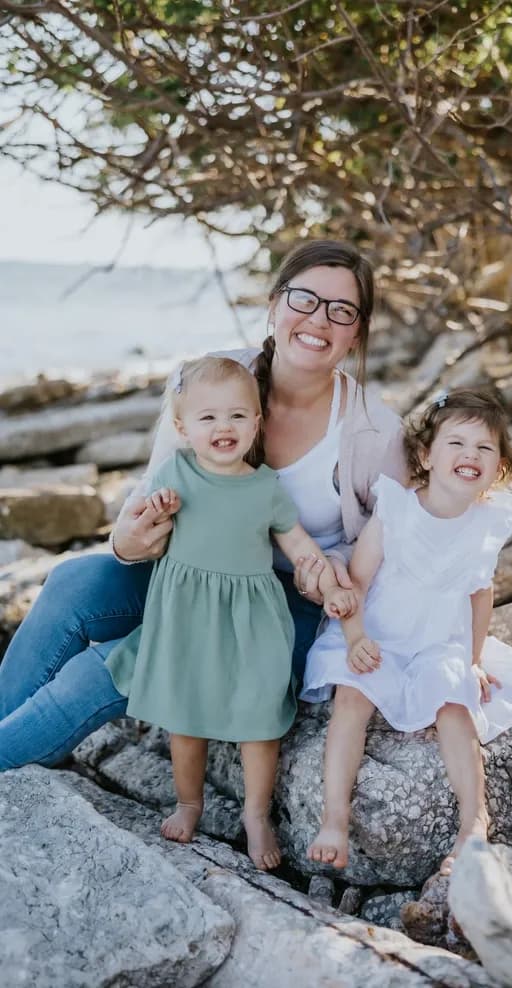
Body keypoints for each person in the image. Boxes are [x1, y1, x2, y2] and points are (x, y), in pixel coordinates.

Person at [0, 240, 407, 865]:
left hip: (281, 607)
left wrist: (336, 590)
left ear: (358, 333)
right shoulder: (210, 379)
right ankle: (14, 732)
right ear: (274, 306)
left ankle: (15, 750)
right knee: (74, 583)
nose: (319, 319)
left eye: (342, 310)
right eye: (305, 298)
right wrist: (127, 541)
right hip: (188, 575)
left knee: (107, 667)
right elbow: (149, 496)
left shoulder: (375, 430)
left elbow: (390, 546)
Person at [105, 355, 355, 857]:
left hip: (251, 621)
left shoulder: (265, 488)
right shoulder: (175, 474)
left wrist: (328, 583)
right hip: (187, 620)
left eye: (238, 415)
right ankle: (189, 803)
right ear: (182, 427)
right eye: (208, 417)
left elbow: (300, 546)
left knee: (260, 717)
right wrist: (159, 512)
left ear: (257, 422)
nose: (224, 427)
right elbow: (144, 530)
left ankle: (256, 813)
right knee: (186, 716)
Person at [301, 389, 512, 876]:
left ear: (498, 468)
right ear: (425, 456)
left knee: (455, 702)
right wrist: (354, 638)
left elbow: (481, 593)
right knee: (352, 698)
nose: (469, 456)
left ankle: (473, 821)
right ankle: (335, 818)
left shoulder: (488, 521)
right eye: (456, 443)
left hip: (437, 641)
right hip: (379, 633)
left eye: (484, 448)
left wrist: (473, 660)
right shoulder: (397, 508)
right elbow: (359, 583)